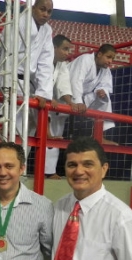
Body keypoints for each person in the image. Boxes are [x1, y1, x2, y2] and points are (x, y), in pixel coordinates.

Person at [45, 34, 87, 179]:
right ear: (54, 47)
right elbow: (37, 80)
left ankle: (49, 171)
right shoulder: (43, 58)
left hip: (48, 102)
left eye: (68, 50)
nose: (67, 53)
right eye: (64, 49)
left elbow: (63, 84)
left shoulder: (62, 65)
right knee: (24, 135)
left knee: (53, 138)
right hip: (34, 97)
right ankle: (20, 171)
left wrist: (70, 103)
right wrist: (48, 97)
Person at [14, 0, 55, 141]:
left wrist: (43, 92)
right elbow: (8, 56)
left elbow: (46, 62)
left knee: (21, 131)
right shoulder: (20, 22)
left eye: (49, 12)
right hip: (9, 80)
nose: (46, 14)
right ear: (33, 8)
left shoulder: (47, 30)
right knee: (6, 128)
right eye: (42, 9)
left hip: (27, 84)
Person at [69, 44, 118, 144]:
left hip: (83, 96)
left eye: (112, 59)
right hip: (67, 92)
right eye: (108, 57)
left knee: (105, 98)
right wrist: (78, 101)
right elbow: (76, 81)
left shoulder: (105, 70)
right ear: (99, 54)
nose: (110, 61)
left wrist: (101, 91)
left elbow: (105, 85)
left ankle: (100, 135)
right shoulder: (85, 59)